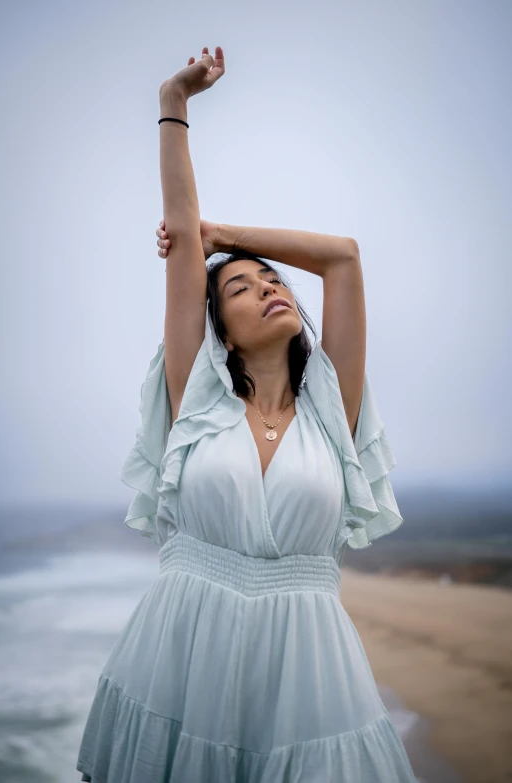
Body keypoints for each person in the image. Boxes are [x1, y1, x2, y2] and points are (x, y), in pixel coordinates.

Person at [76, 46, 417, 782]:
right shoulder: (195, 400)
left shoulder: (333, 411)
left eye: (274, 280)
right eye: (242, 290)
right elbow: (181, 222)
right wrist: (175, 101)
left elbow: (344, 259)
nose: (270, 288)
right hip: (182, 655)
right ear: (218, 332)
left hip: (308, 676)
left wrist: (228, 241)